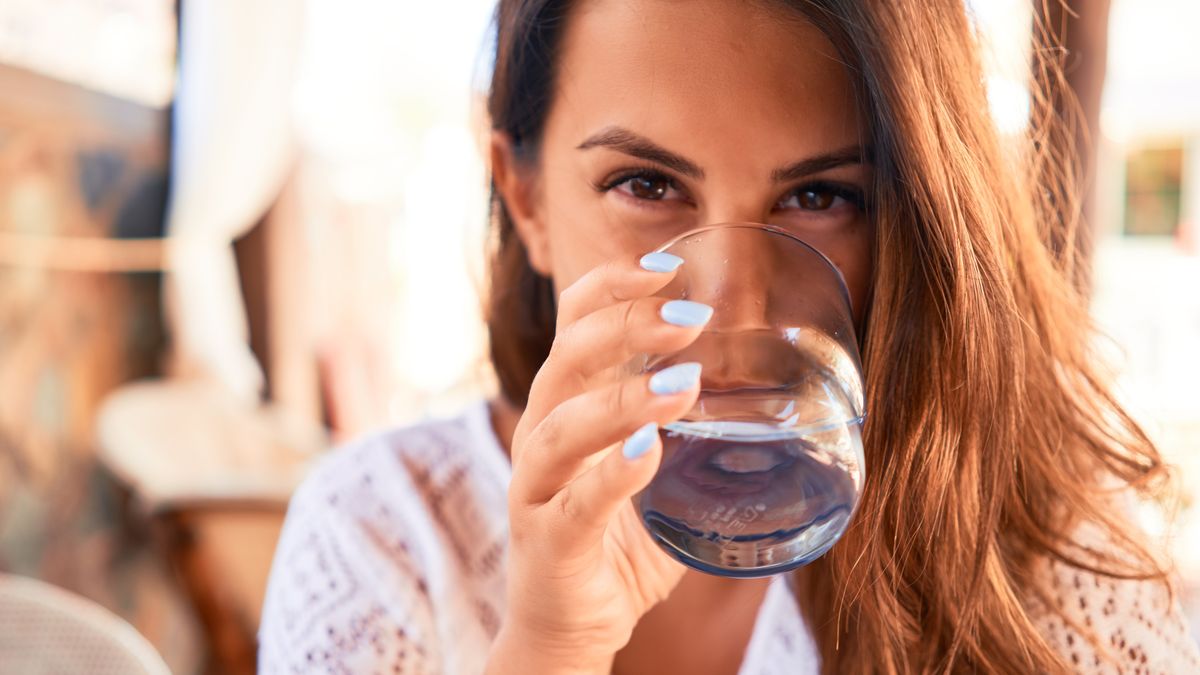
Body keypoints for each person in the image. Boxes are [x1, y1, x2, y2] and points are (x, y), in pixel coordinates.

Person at [257, 0, 1200, 672]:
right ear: (527, 197)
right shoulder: (379, 536)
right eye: (647, 185)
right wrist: (552, 648)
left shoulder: (1053, 582)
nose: (736, 306)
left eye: (821, 197)